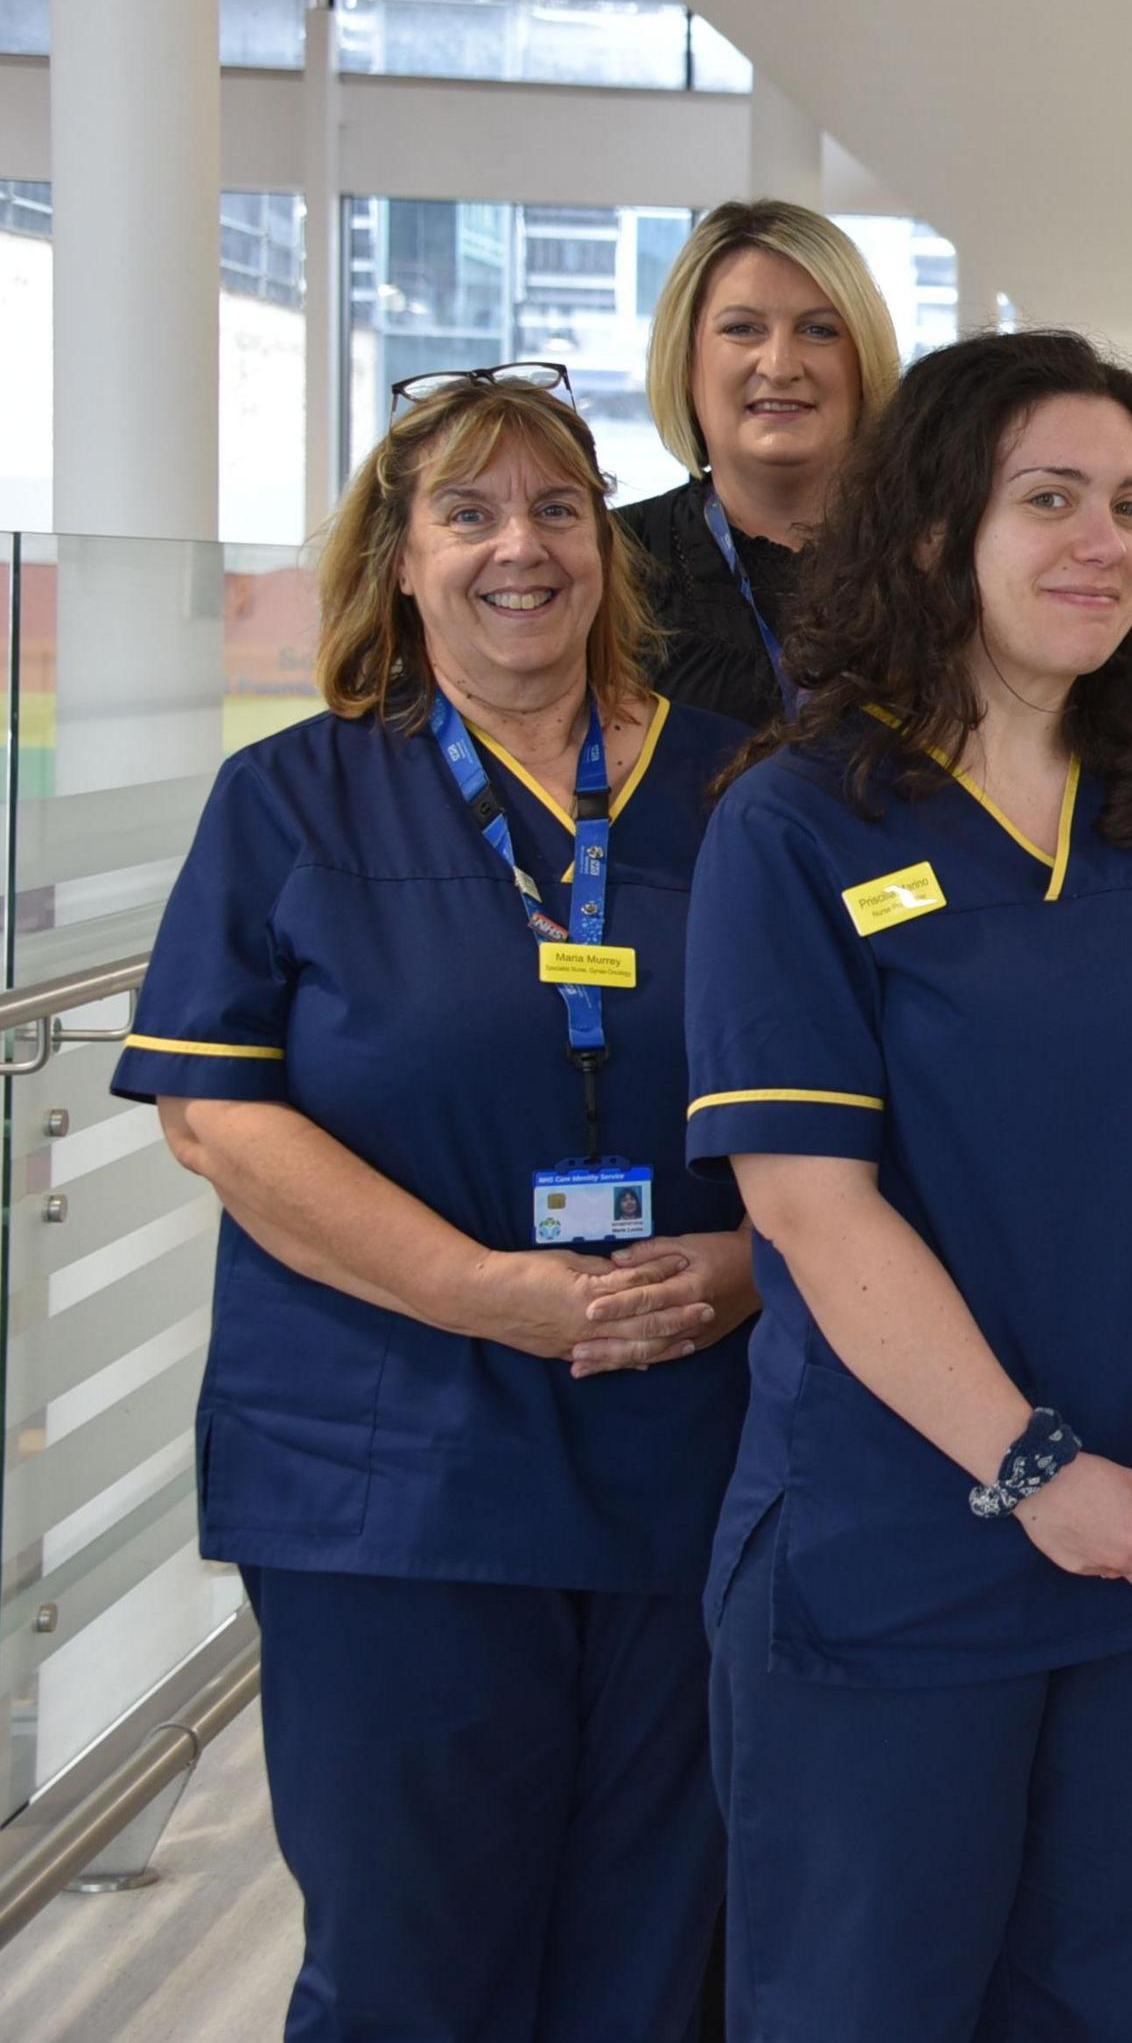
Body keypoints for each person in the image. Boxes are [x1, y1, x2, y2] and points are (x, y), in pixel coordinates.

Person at [685, 329, 1132, 2037]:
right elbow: (813, 1204)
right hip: (901, 1544)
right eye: (1048, 497)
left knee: (1115, 1996)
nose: (1103, 542)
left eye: (1131, 503)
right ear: (927, 530)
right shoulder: (799, 822)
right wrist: (1037, 1465)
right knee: (864, 1999)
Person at [116, 362, 761, 2041]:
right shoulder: (292, 801)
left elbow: (855, 1095)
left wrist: (759, 1265)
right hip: (390, 1468)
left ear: (609, 551)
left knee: (655, 1956)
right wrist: (488, 1289)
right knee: (414, 1962)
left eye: (558, 508)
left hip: (684, 1447)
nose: (519, 548)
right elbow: (216, 1117)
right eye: (466, 512)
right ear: (397, 557)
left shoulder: (745, 793)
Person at [616, 199, 904, 727]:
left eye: (818, 330)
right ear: (685, 360)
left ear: (864, 361)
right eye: (743, 329)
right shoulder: (608, 561)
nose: (779, 365)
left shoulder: (940, 558)